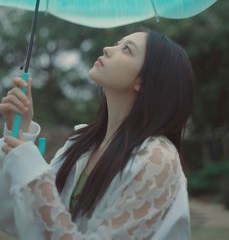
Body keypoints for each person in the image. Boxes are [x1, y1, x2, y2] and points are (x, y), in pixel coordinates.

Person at [0, 28, 194, 239]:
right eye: (118, 43)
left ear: (145, 81)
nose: (108, 49)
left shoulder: (156, 159)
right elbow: (21, 220)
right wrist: (20, 129)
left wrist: (33, 171)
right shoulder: (81, 143)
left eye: (126, 49)